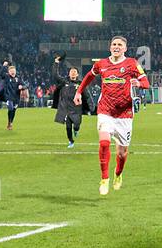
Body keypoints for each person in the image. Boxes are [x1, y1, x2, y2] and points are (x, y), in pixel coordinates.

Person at [75, 36, 149, 195]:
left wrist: (139, 83)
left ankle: (118, 174)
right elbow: (89, 76)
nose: (116, 47)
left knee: (122, 153)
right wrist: (79, 91)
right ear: (110, 47)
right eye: (114, 44)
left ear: (125, 48)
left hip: (125, 114)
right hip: (105, 110)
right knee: (104, 143)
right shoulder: (101, 64)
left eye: (119, 45)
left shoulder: (132, 64)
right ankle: (104, 178)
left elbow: (146, 83)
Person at [52, 57, 83, 148]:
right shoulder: (64, 81)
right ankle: (71, 141)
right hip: (67, 109)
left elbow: (86, 95)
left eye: (74, 72)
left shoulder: (81, 83)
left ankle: (76, 130)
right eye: (71, 71)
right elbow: (55, 75)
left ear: (77, 74)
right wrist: (56, 63)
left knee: (77, 125)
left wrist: (89, 106)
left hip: (77, 109)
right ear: (69, 74)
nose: (73, 73)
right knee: (68, 126)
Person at [0, 63, 27, 130]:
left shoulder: (18, 79)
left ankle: (10, 122)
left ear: (15, 71)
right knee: (11, 108)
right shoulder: (7, 77)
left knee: (14, 110)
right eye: (11, 71)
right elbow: (1, 74)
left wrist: (22, 87)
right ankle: (10, 123)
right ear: (8, 72)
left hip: (16, 98)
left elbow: (25, 86)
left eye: (14, 71)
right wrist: (4, 66)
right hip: (8, 97)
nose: (13, 72)